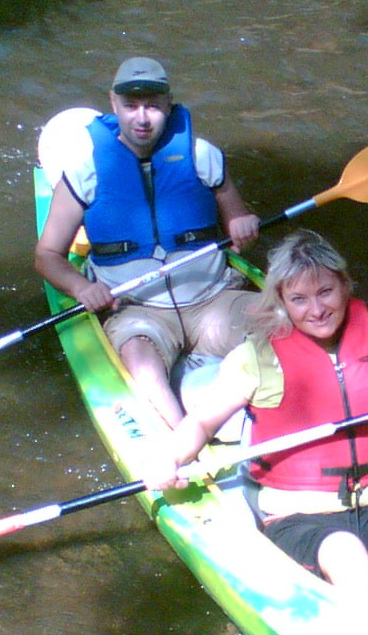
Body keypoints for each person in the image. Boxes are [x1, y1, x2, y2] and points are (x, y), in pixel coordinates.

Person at [146, 230, 368, 608]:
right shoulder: (256, 358)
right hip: (301, 516)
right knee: (348, 555)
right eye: (299, 299)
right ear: (282, 301)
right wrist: (169, 460)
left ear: (345, 286)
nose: (316, 310)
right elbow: (202, 424)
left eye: (325, 292)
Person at [35, 57, 261, 426]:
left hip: (216, 299)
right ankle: (181, 440)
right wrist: (80, 288)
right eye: (131, 106)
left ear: (168, 104)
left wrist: (244, 228)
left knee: (282, 321)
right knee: (141, 360)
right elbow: (46, 256)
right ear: (114, 104)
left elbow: (238, 232)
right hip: (138, 309)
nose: (142, 118)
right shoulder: (84, 171)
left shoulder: (202, 156)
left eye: (153, 106)